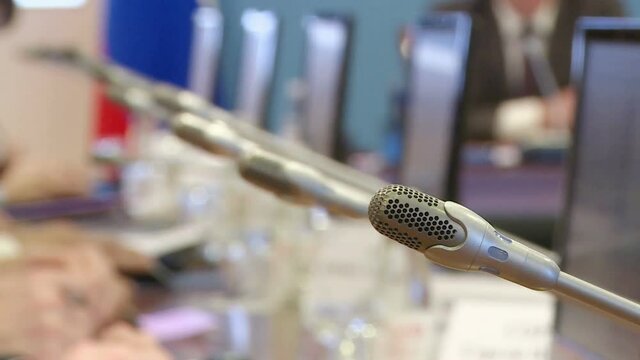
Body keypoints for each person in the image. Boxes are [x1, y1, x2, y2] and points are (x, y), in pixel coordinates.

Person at [435, 0, 625, 143]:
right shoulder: (456, 20)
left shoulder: (599, 13)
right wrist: (540, 114)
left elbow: (620, 110)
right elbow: (444, 122)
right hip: (484, 181)